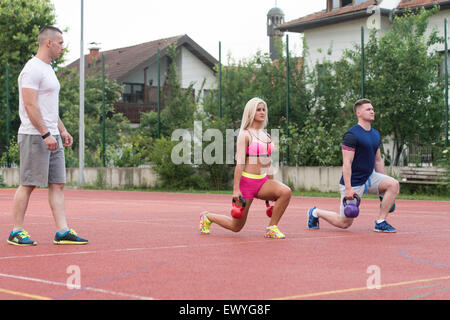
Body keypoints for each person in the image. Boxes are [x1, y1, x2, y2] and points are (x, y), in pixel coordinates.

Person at [7, 26, 88, 246]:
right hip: (35, 135)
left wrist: (61, 130)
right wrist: (45, 134)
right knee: (29, 183)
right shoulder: (32, 69)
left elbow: (49, 107)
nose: (63, 47)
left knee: (57, 184)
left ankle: (62, 231)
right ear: (48, 43)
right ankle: (16, 230)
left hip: (52, 134)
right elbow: (30, 105)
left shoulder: (48, 69)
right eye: (60, 42)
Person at [199, 97, 291, 239]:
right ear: (251, 113)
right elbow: (240, 163)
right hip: (247, 183)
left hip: (263, 182)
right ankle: (208, 217)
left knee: (285, 192)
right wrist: (236, 189)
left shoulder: (266, 135)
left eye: (263, 109)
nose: (262, 112)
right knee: (236, 227)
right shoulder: (245, 134)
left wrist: (271, 182)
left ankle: (272, 228)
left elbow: (268, 161)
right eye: (258, 110)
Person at [307, 99, 399, 233]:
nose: (372, 111)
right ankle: (315, 212)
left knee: (393, 184)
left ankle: (380, 222)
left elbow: (378, 161)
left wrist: (382, 190)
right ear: (358, 113)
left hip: (369, 177)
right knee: (344, 223)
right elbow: (347, 163)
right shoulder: (351, 135)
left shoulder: (375, 134)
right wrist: (349, 189)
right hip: (353, 181)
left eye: (372, 109)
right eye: (368, 109)